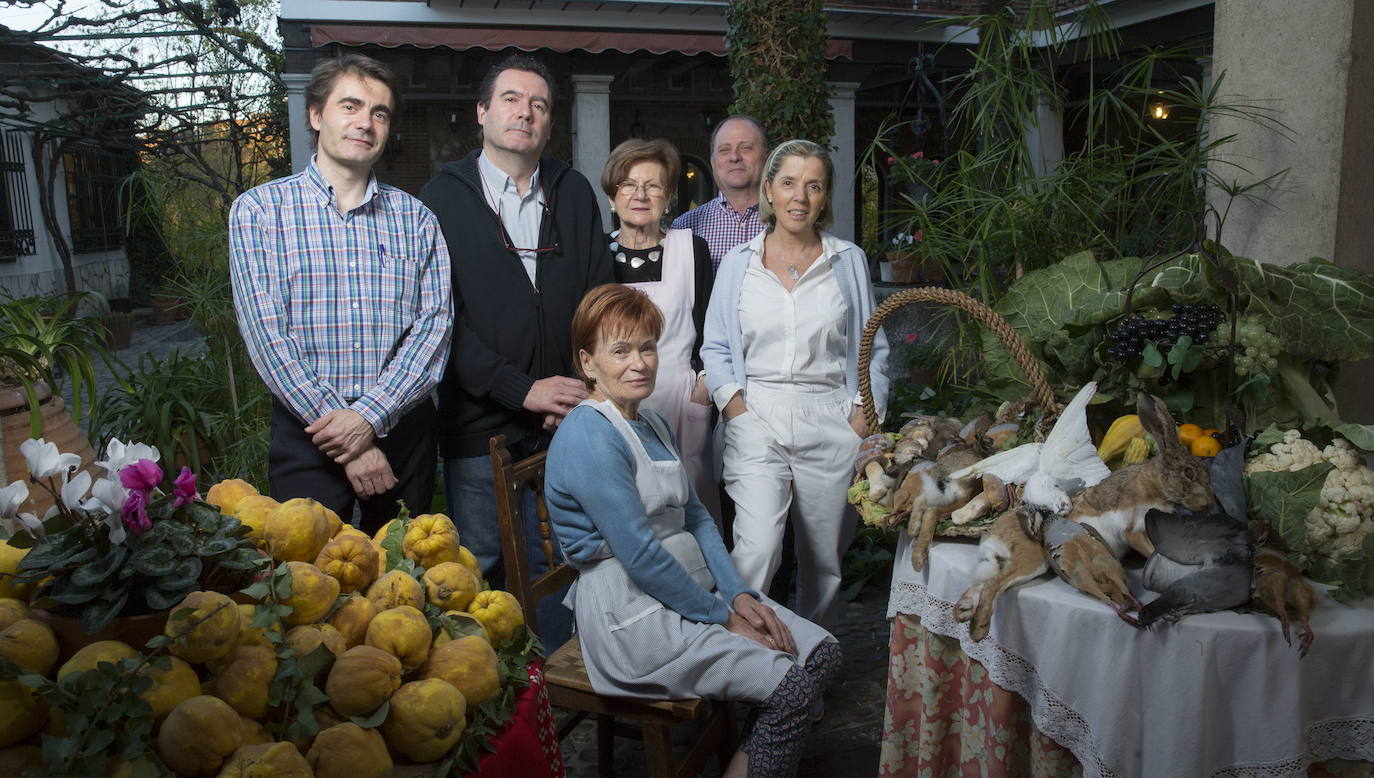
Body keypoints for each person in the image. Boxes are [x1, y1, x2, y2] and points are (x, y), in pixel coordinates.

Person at [546, 284, 841, 778]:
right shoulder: (588, 433)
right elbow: (639, 554)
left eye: (646, 347)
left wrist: (739, 594)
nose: (639, 362)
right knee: (791, 691)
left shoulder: (653, 423)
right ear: (587, 362)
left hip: (687, 588)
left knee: (822, 656)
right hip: (628, 613)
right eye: (620, 350)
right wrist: (723, 619)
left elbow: (699, 518)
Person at [419, 54, 610, 648]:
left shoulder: (573, 192)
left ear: (550, 123)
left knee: (562, 562)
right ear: (482, 112)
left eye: (539, 104)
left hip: (565, 422)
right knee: (481, 566)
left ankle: (554, 690)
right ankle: (495, 705)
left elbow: (598, 300)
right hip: (480, 425)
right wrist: (521, 390)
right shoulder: (439, 199)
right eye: (510, 99)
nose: (524, 112)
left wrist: (573, 390)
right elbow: (435, 321)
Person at [229, 54, 452, 533]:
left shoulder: (417, 219)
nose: (365, 123)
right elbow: (268, 338)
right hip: (305, 432)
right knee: (305, 587)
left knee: (402, 583)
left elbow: (434, 329)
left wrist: (368, 418)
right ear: (315, 115)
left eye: (380, 112)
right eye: (350, 106)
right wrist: (349, 435)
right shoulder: (260, 212)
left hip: (403, 433)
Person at [702, 139, 890, 633]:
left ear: (825, 197)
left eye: (814, 186)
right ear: (769, 190)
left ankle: (813, 665)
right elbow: (716, 346)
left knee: (822, 560)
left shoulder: (847, 260)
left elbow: (875, 347)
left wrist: (861, 414)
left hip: (831, 417)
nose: (799, 197)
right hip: (756, 413)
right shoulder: (738, 263)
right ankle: (745, 661)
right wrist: (735, 409)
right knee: (757, 548)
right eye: (788, 183)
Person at [601, 138, 720, 522]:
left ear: (668, 197)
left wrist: (703, 389)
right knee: (626, 507)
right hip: (614, 403)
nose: (640, 195)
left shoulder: (691, 248)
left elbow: (710, 330)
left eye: (653, 185)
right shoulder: (595, 254)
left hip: (680, 402)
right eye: (628, 184)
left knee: (691, 511)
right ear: (611, 195)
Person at [671, 115, 768, 273]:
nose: (735, 157)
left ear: (766, 156)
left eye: (746, 148)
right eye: (724, 150)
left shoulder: (790, 222)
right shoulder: (684, 228)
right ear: (713, 162)